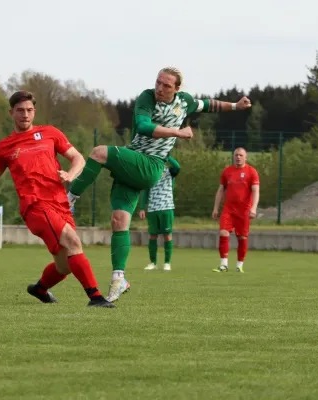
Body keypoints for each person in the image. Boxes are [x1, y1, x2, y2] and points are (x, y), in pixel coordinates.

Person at [67, 66, 251, 302]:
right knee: (119, 221)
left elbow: (209, 105)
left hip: (150, 165)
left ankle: (69, 200)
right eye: (158, 83)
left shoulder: (184, 102)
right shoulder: (146, 97)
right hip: (133, 162)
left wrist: (236, 106)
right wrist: (178, 132)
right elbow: (144, 126)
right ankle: (118, 278)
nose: (160, 89)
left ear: (177, 88)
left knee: (99, 152)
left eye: (166, 85)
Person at [0, 90, 114, 308]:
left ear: (34, 112)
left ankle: (39, 288)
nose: (25, 115)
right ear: (11, 113)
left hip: (60, 203)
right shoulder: (4, 147)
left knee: (65, 265)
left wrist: (70, 174)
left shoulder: (50, 133)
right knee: (73, 242)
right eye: (20, 110)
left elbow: (77, 158)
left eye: (29, 110)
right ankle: (96, 298)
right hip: (36, 206)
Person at [212, 147, 260, 273]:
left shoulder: (251, 172)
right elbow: (221, 190)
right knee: (223, 232)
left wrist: (253, 208)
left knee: (242, 237)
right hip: (228, 209)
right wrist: (216, 208)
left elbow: (256, 191)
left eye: (240, 155)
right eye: (236, 155)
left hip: (244, 211)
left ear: (245, 157)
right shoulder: (227, 171)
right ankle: (223, 265)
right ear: (233, 156)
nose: (238, 157)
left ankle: (239, 265)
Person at [138, 156, 180, 271]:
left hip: (166, 207)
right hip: (152, 209)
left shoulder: (170, 171)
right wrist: (142, 208)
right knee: (152, 235)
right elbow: (146, 191)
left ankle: (167, 263)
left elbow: (177, 166)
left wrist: (167, 157)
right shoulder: (150, 173)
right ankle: (153, 262)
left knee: (167, 235)